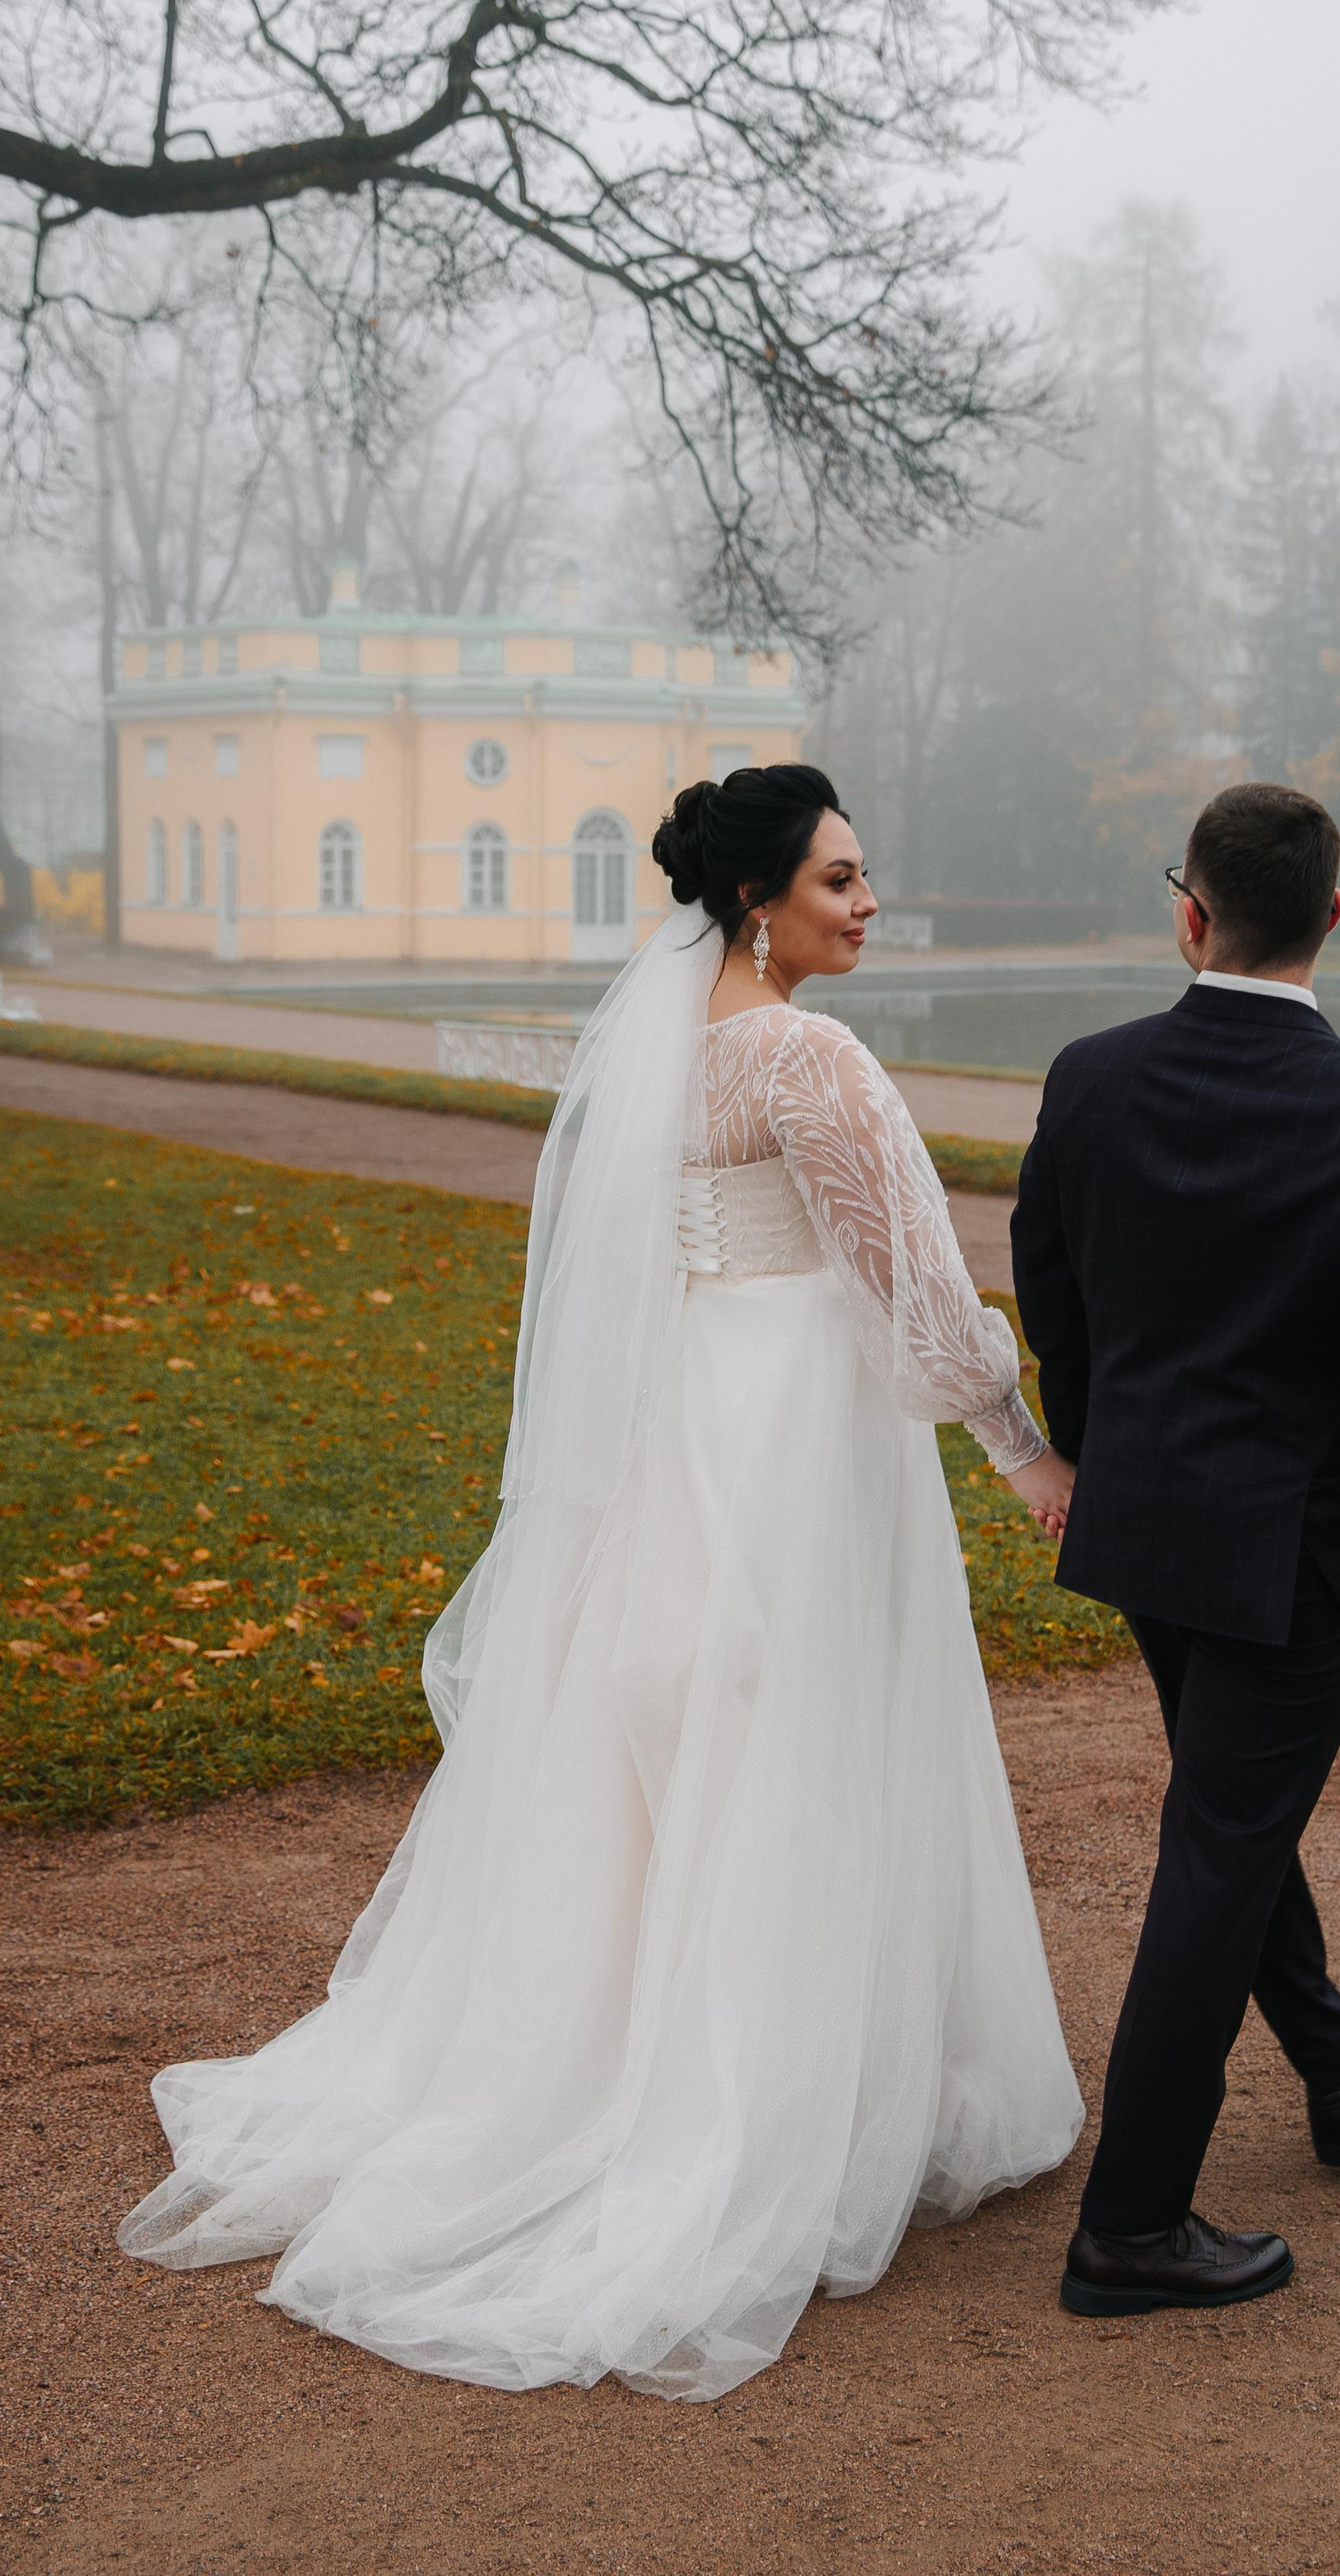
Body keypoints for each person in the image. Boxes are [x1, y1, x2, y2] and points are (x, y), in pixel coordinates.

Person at [119, 762, 1084, 2398]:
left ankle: (630, 2053)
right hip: (795, 1435)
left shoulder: (659, 1049)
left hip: (683, 1416)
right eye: (838, 880)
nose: (867, 903)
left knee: (666, 1733)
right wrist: (1020, 1450)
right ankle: (782, 2096)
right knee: (798, 1738)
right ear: (758, 902)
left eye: (863, 876)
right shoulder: (808, 1058)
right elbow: (916, 1297)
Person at [1011, 782, 1340, 2317]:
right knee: (1221, 1842)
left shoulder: (1090, 1076)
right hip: (1306, 1556)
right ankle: (1131, 2225)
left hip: (1153, 1524)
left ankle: (1337, 2058)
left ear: (1189, 912)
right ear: (1330, 916)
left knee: (1229, 1810)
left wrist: (1104, 1458)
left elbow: (1054, 1294)